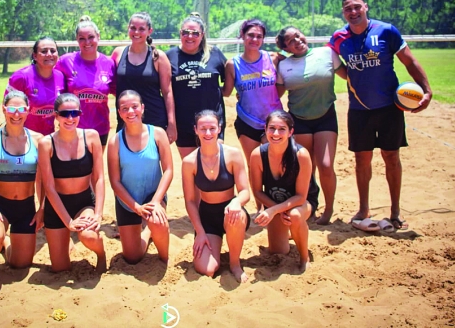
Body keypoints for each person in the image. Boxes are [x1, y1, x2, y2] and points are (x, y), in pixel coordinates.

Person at [328, 0, 432, 230]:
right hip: (359, 109)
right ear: (343, 13)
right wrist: (352, 78)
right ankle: (364, 208)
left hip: (390, 108)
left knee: (391, 157)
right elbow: (335, 65)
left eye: (356, 7)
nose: (353, 12)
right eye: (347, 9)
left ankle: (395, 210)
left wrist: (426, 90)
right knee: (362, 159)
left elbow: (410, 61)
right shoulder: (338, 38)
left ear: (365, 7)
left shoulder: (386, 31)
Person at [275, 26, 348, 225]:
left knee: (325, 165)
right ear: (286, 48)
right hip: (299, 120)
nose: (297, 41)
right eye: (290, 41)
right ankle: (309, 206)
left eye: (298, 35)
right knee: (306, 168)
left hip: (325, 117)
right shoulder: (284, 65)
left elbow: (351, 76)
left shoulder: (327, 53)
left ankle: (329, 209)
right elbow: (275, 93)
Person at [37, 93, 106, 273]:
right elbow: (49, 187)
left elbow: (99, 178)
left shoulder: (91, 137)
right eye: (65, 114)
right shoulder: (46, 143)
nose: (70, 118)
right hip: (56, 204)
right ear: (56, 116)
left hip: (83, 202)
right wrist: (67, 222)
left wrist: (98, 213)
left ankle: (101, 254)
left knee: (89, 236)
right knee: (60, 268)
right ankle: (65, 242)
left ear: (80, 114)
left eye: (75, 113)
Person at [0, 90, 43, 273]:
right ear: (4, 109)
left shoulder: (38, 140)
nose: (16, 114)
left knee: (19, 264)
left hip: (26, 208)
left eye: (21, 109)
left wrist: (41, 208)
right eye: (12, 109)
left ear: (28, 111)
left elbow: (44, 180)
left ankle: (5, 242)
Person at [182, 110, 250, 282]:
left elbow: (245, 192)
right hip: (207, 216)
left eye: (212, 128)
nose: (208, 133)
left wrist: (236, 202)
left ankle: (235, 264)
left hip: (232, 212)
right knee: (208, 270)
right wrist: (200, 232)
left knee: (234, 215)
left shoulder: (232, 154)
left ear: (219, 128)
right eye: (203, 128)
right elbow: (190, 201)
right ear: (195, 130)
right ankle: (214, 244)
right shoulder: (189, 162)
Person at [107, 90, 173, 264]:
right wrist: (136, 207)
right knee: (132, 257)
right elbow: (115, 182)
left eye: (134, 107)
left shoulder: (158, 133)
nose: (130, 112)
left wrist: (156, 202)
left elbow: (168, 170)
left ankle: (163, 257)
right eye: (125, 108)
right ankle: (147, 231)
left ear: (142, 108)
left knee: (157, 221)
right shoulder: (115, 142)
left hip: (153, 196)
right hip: (128, 201)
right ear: (119, 113)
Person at [250, 110, 318, 272]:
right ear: (265, 129)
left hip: (302, 203)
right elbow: (258, 192)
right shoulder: (257, 155)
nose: (276, 133)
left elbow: (301, 197)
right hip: (274, 203)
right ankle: (291, 231)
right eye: (272, 128)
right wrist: (276, 210)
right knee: (277, 251)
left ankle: (304, 257)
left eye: (282, 129)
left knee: (294, 215)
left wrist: (274, 210)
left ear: (290, 132)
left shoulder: (301, 155)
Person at [223, 19, 283, 170]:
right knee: (255, 167)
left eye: (259, 36)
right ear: (242, 35)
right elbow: (226, 92)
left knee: (278, 165)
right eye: (250, 35)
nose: (254, 39)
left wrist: (272, 98)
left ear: (263, 39)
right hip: (248, 121)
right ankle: (258, 195)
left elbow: (289, 75)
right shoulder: (233, 64)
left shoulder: (273, 58)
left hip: (273, 120)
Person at [167, 12, 228, 159]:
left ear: (202, 34)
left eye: (195, 33)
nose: (189, 36)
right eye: (185, 32)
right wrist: (171, 123)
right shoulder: (169, 56)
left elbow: (230, 79)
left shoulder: (215, 54)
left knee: (214, 166)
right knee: (191, 167)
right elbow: (164, 91)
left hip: (212, 123)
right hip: (184, 123)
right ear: (180, 33)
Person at [111, 12, 177, 143]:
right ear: (128, 28)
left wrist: (171, 123)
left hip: (153, 118)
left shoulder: (158, 57)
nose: (136, 32)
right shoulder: (118, 53)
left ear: (149, 31)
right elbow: (113, 85)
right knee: (125, 160)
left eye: (141, 29)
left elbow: (167, 92)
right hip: (126, 117)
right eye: (133, 28)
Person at [55, 16, 116, 151]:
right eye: (82, 38)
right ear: (77, 40)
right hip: (71, 126)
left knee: (96, 168)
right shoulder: (66, 62)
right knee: (74, 169)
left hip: (100, 127)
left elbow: (119, 92)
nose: (87, 42)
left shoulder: (109, 63)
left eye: (91, 37)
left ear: (98, 36)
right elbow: (52, 86)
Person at [5, 37, 66, 135]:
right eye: (44, 51)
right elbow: (7, 107)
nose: (49, 54)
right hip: (23, 138)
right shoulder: (21, 77)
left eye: (53, 51)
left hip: (47, 138)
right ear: (35, 56)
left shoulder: (60, 77)